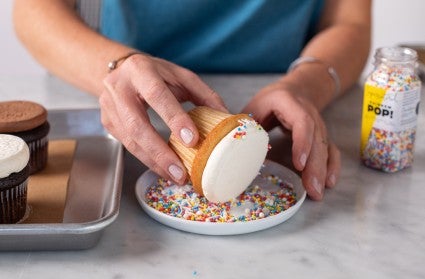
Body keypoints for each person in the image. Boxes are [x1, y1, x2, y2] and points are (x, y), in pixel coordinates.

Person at [13, 0, 371, 201]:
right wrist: (114, 69)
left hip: (279, 102)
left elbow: (350, 21)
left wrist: (305, 85)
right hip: (120, 87)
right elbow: (33, 11)